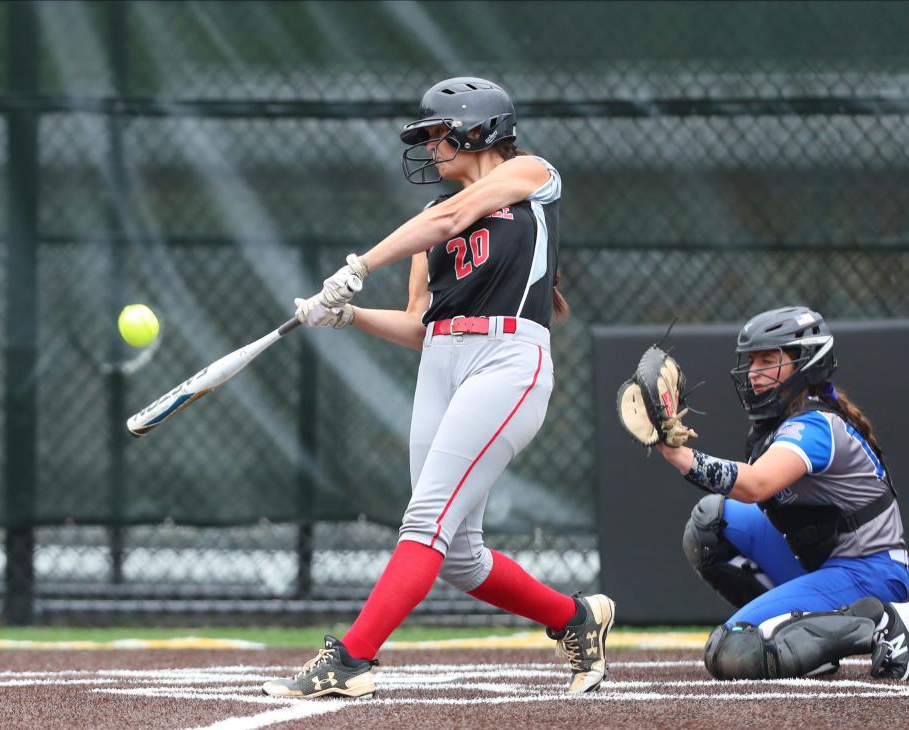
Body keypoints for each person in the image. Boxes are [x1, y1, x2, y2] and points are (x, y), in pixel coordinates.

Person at [260, 77, 615, 699]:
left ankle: (350, 660)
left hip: (508, 360)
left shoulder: (531, 174)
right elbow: (421, 324)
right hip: (443, 363)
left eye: (435, 133)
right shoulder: (429, 223)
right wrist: (347, 314)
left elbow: (458, 214)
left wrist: (358, 267)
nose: (427, 147)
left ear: (476, 129)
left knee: (424, 518)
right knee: (457, 556)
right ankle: (576, 619)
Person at [656, 305, 909, 680]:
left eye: (768, 360)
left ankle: (886, 619)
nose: (754, 373)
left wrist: (676, 453)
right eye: (752, 360)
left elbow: (756, 484)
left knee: (733, 652)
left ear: (805, 363)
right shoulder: (786, 422)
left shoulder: (816, 425)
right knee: (711, 522)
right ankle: (805, 648)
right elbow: (748, 498)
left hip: (872, 573)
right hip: (828, 563)